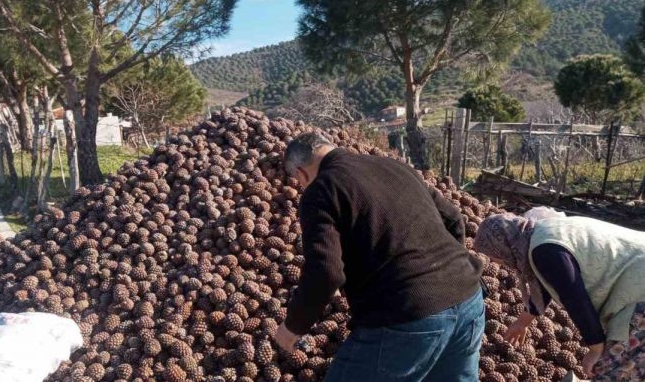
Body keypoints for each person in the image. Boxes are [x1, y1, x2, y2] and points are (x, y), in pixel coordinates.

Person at [273, 133, 484, 382]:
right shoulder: (391, 164)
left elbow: (326, 272)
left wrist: (293, 327)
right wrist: (445, 271)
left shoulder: (321, 190)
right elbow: (452, 217)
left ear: (301, 173)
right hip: (469, 297)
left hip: (407, 314)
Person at [475, 213, 645, 380]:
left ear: (501, 244)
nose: (495, 262)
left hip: (639, 292)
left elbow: (576, 301)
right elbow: (548, 284)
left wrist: (595, 350)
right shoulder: (541, 234)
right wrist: (522, 322)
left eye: (492, 255)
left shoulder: (546, 252)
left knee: (610, 371)